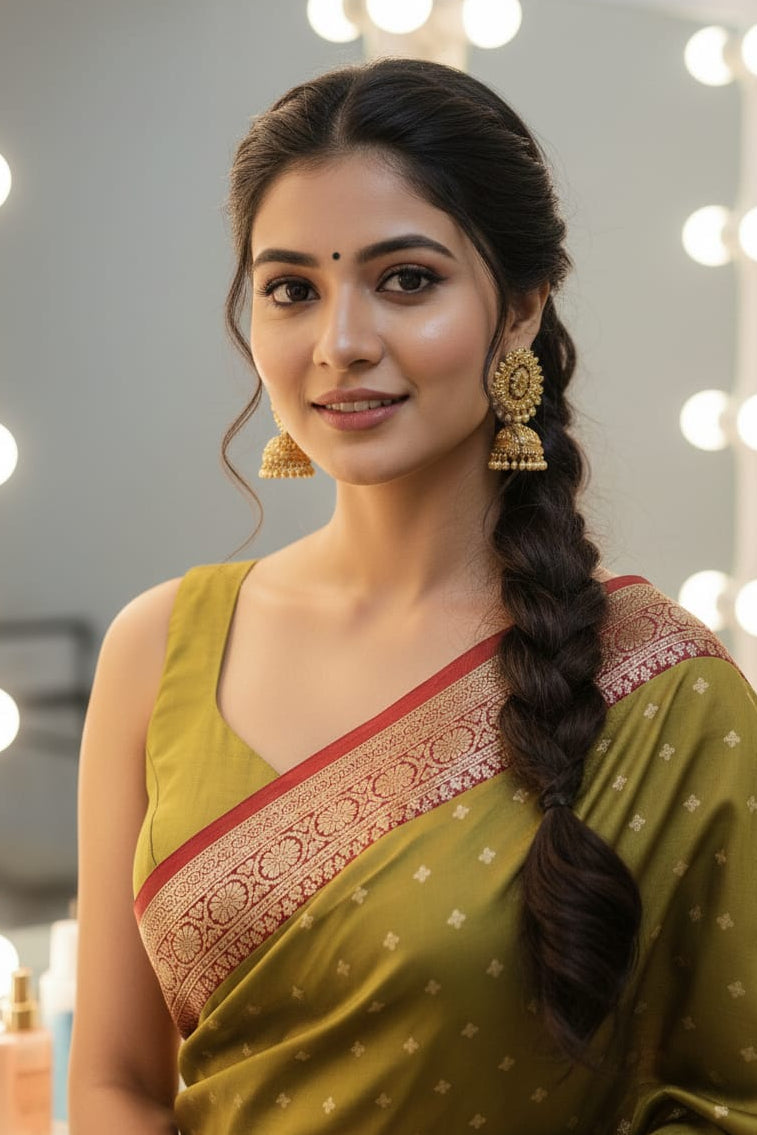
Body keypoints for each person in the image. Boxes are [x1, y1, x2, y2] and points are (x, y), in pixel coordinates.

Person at [68, 57, 757, 1135]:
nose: (341, 343)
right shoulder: (159, 646)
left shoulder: (664, 691)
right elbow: (112, 1082)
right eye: (292, 287)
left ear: (521, 308)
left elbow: (733, 1097)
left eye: (406, 279)